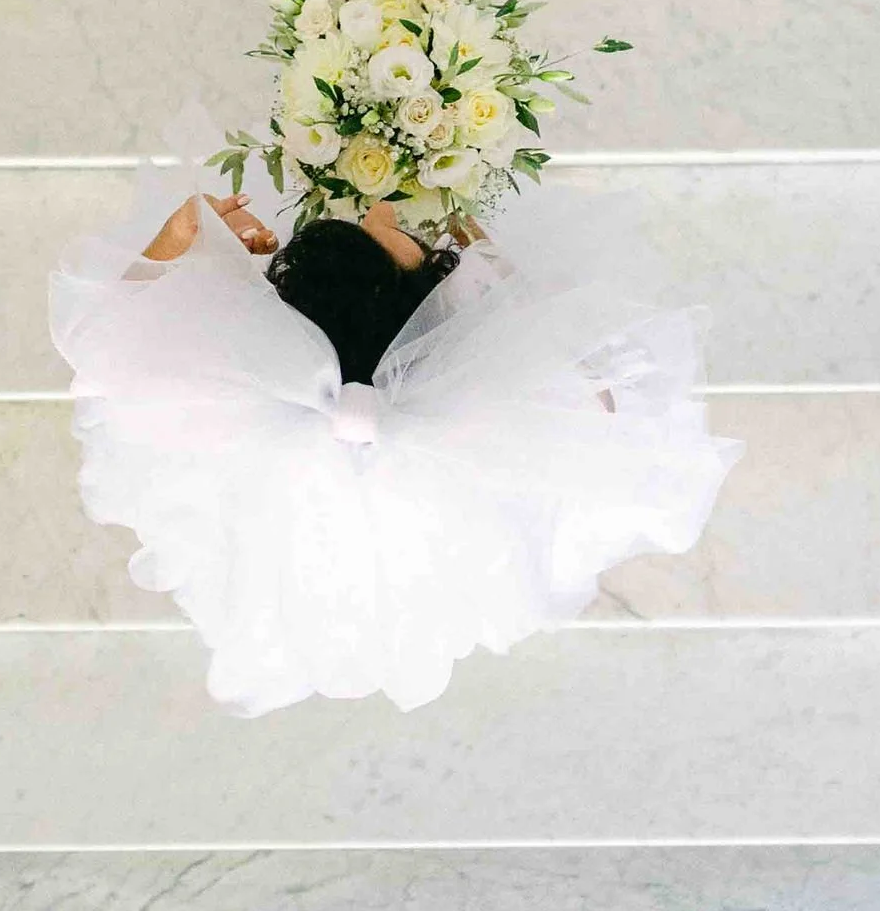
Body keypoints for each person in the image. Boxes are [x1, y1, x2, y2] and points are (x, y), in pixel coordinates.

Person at [48, 138, 739, 717]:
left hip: (310, 526)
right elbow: (606, 401)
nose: (386, 212)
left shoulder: (235, 394)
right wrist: (492, 265)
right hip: (407, 529)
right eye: (398, 235)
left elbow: (104, 344)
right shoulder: (488, 400)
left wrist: (172, 243)